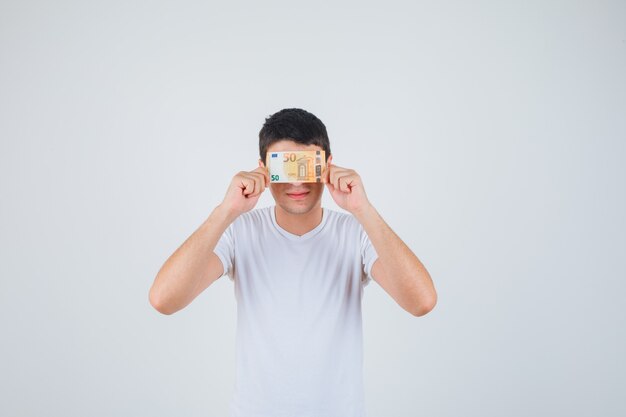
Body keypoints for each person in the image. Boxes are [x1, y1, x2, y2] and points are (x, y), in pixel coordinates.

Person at [149, 108, 437, 417]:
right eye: (284, 168)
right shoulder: (240, 230)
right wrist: (225, 211)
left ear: (327, 166)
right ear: (263, 170)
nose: (296, 184)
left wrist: (362, 208)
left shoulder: (356, 233)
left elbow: (421, 302)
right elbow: (164, 299)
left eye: (307, 166)